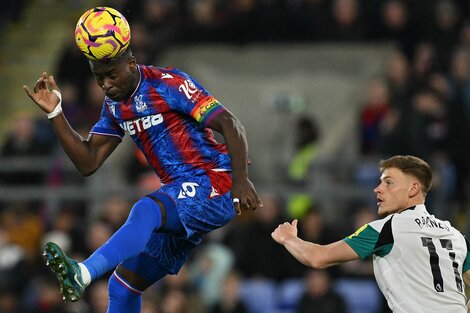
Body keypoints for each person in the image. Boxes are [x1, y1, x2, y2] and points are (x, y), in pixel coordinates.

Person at [23, 7, 262, 312]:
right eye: (99, 79)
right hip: (180, 199)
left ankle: (83, 272)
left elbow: (230, 124)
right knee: (122, 286)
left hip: (213, 182)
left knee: (146, 208)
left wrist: (241, 180)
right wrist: (56, 114)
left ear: (132, 63)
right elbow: (89, 161)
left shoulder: (169, 83)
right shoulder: (114, 107)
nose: (106, 84)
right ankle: (89, 274)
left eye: (111, 75)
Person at [272, 155, 470, 313]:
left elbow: (317, 257)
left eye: (389, 183)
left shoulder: (386, 229)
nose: (378, 189)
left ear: (413, 188)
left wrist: (288, 238)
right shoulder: (455, 235)